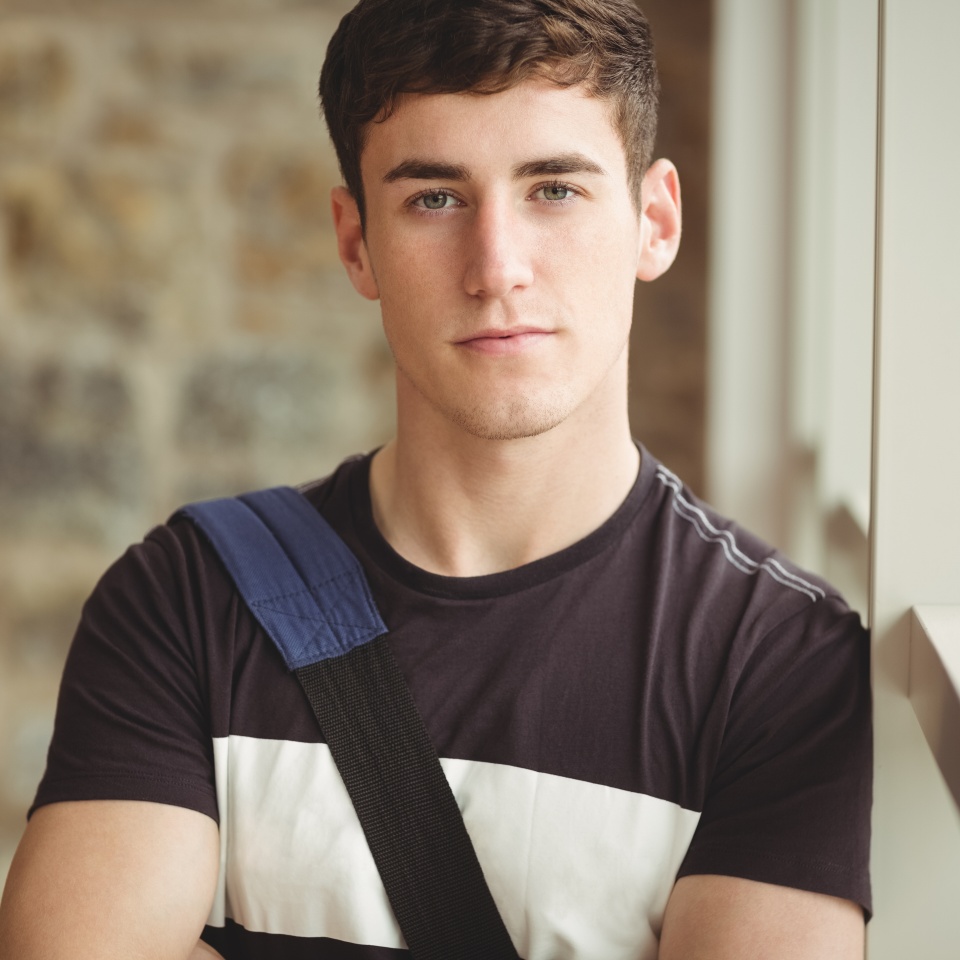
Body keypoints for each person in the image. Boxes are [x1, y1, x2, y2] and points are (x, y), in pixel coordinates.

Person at [0, 0, 872, 957]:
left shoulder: (780, 660)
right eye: (435, 199)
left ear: (653, 222)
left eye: (554, 189)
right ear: (356, 242)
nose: (496, 268)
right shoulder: (184, 598)